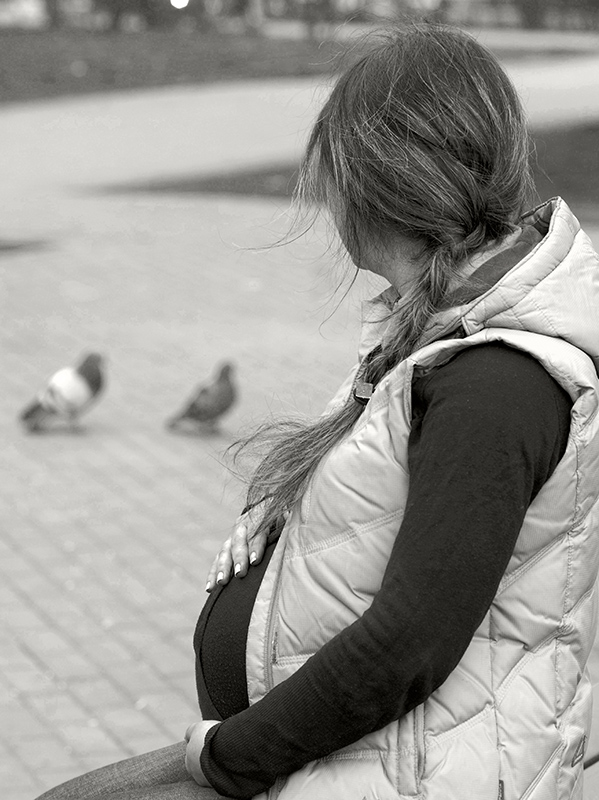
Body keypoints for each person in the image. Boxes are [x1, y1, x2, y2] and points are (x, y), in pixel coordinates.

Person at [37, 21, 599, 800]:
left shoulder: (496, 379)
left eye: (333, 173)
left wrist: (230, 757)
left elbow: (410, 641)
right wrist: (288, 522)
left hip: (408, 774)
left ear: (380, 181)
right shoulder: (437, 331)